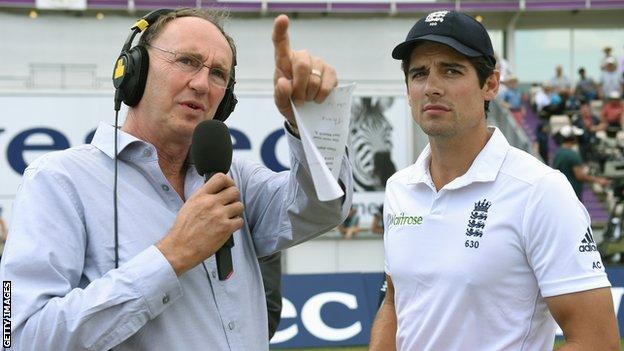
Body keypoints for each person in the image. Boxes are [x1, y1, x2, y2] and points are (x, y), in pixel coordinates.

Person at [0, 8, 353, 350]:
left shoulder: (235, 177)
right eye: (186, 61)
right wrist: (170, 257)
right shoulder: (58, 181)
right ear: (133, 71)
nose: (202, 84)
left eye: (218, 73)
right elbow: (17, 336)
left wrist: (309, 123)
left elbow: (322, 209)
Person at [369, 10, 620, 350]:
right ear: (408, 89)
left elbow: (597, 341)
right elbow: (394, 301)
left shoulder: (540, 190)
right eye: (419, 73)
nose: (432, 87)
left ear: (490, 84)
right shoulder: (399, 187)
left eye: (451, 70)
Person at [553, 125, 609, 201]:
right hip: (572, 193)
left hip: (560, 192)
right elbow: (580, 175)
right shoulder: (573, 155)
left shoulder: (558, 153)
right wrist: (598, 180)